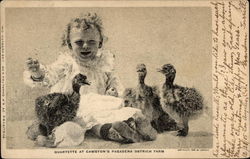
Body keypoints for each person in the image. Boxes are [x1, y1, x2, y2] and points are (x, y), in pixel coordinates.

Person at [24, 13, 156, 147]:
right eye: (79, 42)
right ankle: (114, 131)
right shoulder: (66, 64)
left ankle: (138, 123)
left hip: (101, 105)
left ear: (100, 43)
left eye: (91, 41)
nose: (85, 46)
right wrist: (37, 72)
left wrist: (114, 91)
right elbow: (49, 77)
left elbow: (116, 84)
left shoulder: (105, 65)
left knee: (117, 111)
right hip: (73, 109)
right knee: (93, 125)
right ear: (69, 45)